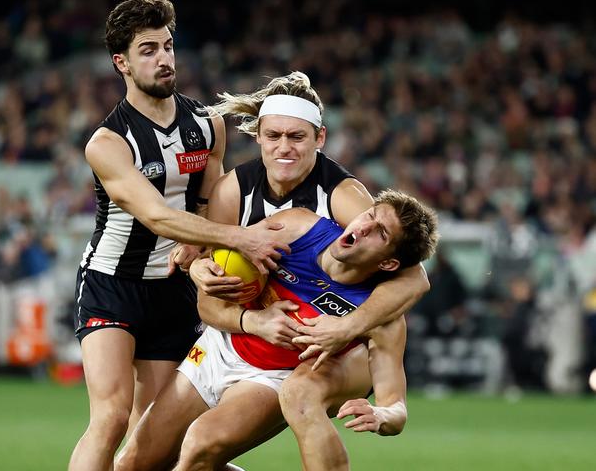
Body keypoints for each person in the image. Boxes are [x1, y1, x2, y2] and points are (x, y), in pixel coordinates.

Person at [68, 0, 289, 471]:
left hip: (175, 290)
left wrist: (201, 247)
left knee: (154, 438)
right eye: (148, 50)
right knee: (109, 418)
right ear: (121, 62)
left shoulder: (207, 125)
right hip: (113, 284)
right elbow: (156, 216)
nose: (164, 58)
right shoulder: (108, 143)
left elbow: (212, 200)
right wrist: (238, 240)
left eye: (168, 46)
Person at [164, 72, 429, 466]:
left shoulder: (342, 196)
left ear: (319, 139)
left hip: (297, 359)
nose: (284, 148)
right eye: (274, 136)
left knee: (212, 440)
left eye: (297, 137)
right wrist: (200, 267)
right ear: (258, 137)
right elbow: (212, 277)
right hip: (232, 338)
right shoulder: (270, 210)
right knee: (139, 462)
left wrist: (347, 328)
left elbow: (414, 277)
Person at [115, 190, 439, 470]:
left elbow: (395, 404)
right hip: (218, 349)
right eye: (369, 215)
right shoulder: (297, 227)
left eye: (380, 232)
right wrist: (207, 271)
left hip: (270, 379)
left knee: (199, 446)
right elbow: (209, 302)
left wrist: (382, 415)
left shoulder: (380, 313)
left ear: (388, 264)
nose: (363, 226)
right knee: (132, 465)